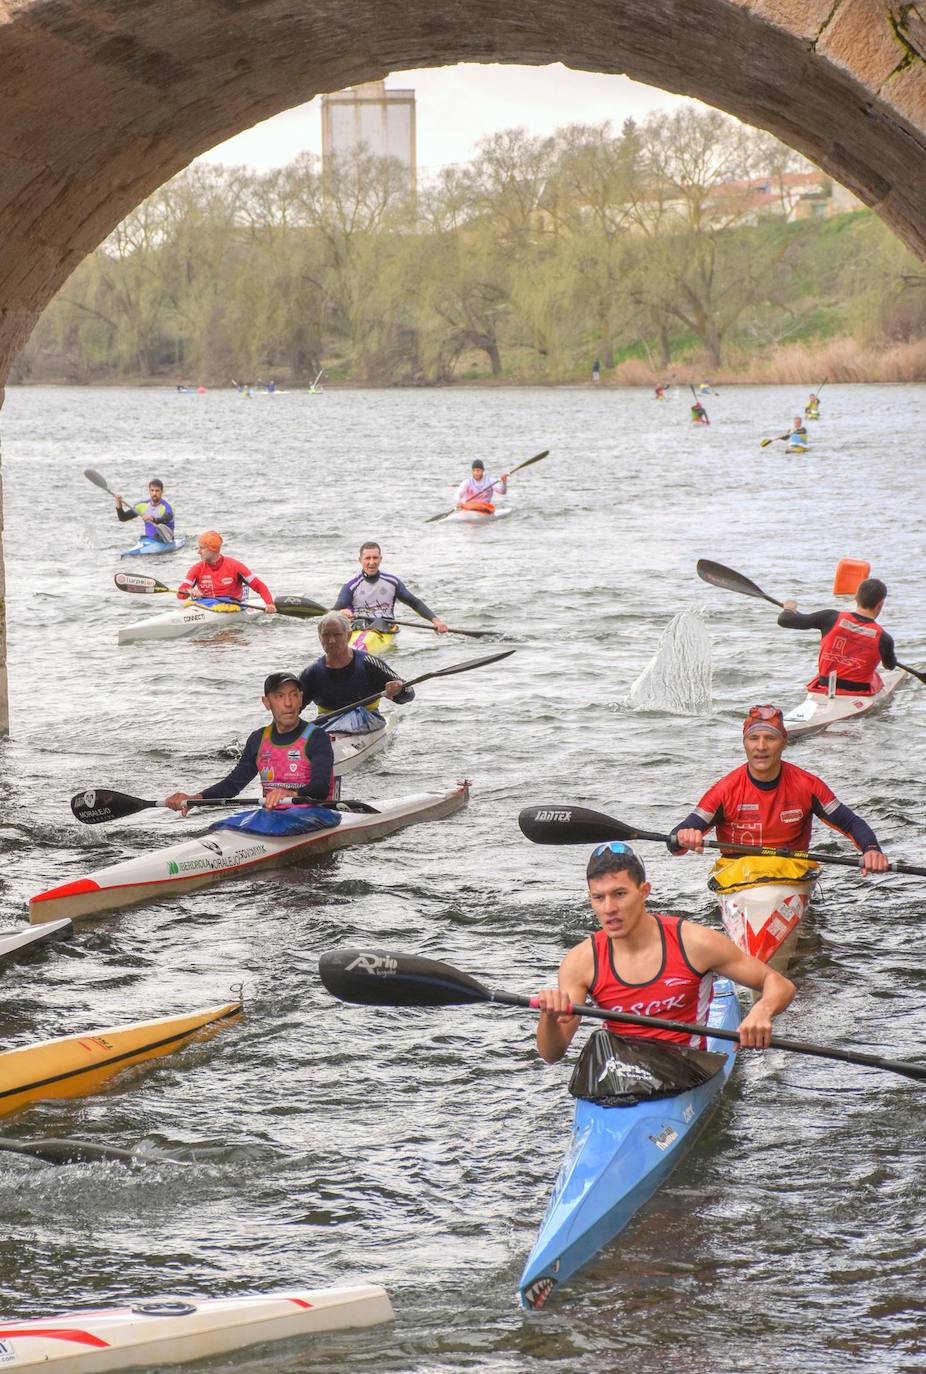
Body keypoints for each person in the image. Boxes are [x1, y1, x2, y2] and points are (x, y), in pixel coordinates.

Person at [534, 842, 795, 1063]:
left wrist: (762, 1010)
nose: (609, 908)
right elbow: (552, 1055)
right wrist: (548, 1017)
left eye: (619, 894)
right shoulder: (580, 962)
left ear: (643, 892)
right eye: (598, 898)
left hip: (686, 1068)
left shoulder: (694, 943)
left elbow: (778, 984)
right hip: (621, 1075)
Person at [668, 704, 889, 874]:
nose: (761, 747)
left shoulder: (807, 785)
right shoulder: (725, 790)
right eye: (753, 738)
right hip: (737, 874)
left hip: (790, 872)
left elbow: (851, 822)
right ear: (745, 743)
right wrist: (684, 837)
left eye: (770, 738)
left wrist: (871, 850)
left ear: (784, 743)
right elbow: (676, 839)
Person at [164, 671, 335, 813]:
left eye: (294, 695)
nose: (288, 703)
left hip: (314, 814)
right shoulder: (258, 739)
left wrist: (290, 793)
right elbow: (233, 785)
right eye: (280, 696)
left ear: (300, 699)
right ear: (267, 702)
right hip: (273, 816)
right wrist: (194, 799)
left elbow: (320, 787)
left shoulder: (316, 737)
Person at [778, 577, 896, 696]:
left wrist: (789, 608)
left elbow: (784, 620)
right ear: (880, 604)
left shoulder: (830, 617)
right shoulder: (884, 638)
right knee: (875, 676)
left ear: (856, 598)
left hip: (824, 685)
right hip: (858, 692)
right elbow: (889, 666)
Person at [299, 613, 414, 733]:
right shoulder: (312, 672)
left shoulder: (368, 663)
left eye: (337, 635)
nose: (331, 640)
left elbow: (409, 693)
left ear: (348, 636)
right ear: (320, 638)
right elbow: (292, 707)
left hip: (366, 718)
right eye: (326, 635)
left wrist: (399, 689)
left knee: (353, 716)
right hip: (327, 723)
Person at [334, 541, 447, 632]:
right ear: (360, 560)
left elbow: (415, 603)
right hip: (359, 628)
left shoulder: (392, 582)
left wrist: (436, 621)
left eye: (375, 558)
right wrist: (342, 612)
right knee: (358, 624)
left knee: (379, 622)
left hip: (386, 627)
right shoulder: (350, 585)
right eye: (368, 558)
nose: (372, 562)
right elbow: (335, 610)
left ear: (380, 559)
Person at [177, 531, 276, 612]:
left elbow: (258, 585)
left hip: (231, 604)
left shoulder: (235, 566)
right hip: (204, 604)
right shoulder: (196, 568)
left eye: (202, 548)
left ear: (213, 549)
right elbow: (180, 594)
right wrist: (188, 591)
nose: (198, 552)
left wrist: (269, 604)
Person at [114, 478, 175, 544]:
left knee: (156, 535)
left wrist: (152, 519)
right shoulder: (142, 506)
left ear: (162, 492)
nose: (154, 493)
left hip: (166, 539)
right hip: (149, 541)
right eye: (152, 490)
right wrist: (118, 504)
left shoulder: (167, 506)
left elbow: (166, 518)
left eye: (157, 491)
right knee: (143, 538)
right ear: (149, 491)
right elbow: (123, 518)